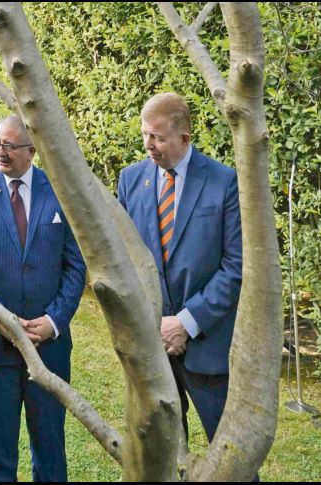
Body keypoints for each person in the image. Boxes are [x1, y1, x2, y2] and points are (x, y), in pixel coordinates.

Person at [0, 115, 86, 482]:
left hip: (49, 348)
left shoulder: (59, 190)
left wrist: (55, 321)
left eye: (9, 145)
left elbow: (75, 266)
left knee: (50, 450)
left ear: (32, 151)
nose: (0, 151)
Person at [117, 92, 242, 446]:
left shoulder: (224, 182)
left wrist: (185, 323)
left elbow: (235, 266)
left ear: (184, 138)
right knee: (164, 455)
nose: (148, 145)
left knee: (231, 456)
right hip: (149, 346)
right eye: (144, 134)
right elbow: (122, 259)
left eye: (157, 137)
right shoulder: (130, 180)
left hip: (208, 347)